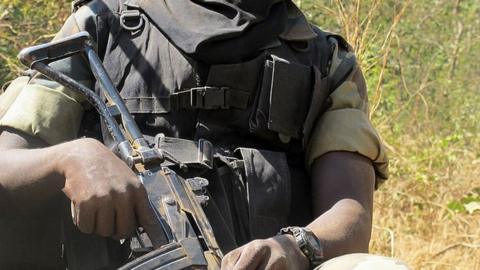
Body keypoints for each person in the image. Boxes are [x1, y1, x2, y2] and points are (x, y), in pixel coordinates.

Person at [0, 0, 409, 269]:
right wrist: (72, 158)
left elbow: (352, 213)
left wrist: (298, 247)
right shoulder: (101, 27)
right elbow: (6, 163)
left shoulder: (325, 60)